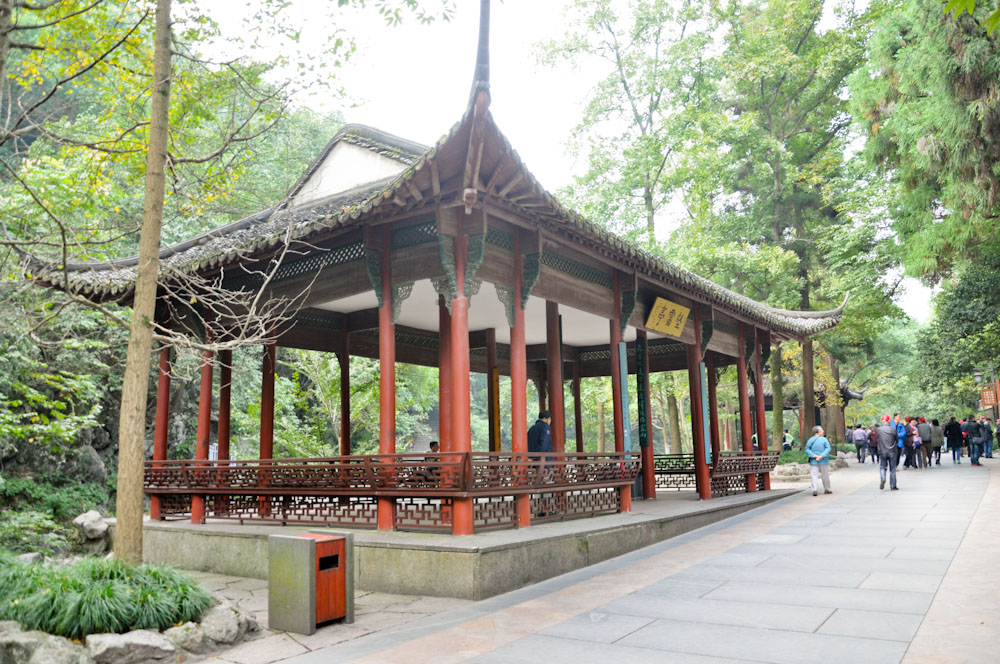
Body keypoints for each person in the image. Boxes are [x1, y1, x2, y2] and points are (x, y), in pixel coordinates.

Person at [804, 425, 832, 497]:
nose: (823, 431)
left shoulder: (810, 440)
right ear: (818, 432)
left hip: (814, 460)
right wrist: (821, 456)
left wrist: (814, 455)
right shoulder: (824, 439)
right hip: (823, 460)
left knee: (814, 475)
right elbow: (828, 448)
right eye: (822, 430)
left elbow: (806, 449)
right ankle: (827, 488)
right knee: (825, 475)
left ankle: (814, 489)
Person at [877, 415, 899, 490]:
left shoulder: (879, 430)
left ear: (882, 421)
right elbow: (897, 440)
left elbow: (877, 438)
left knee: (882, 467)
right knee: (892, 469)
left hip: (882, 451)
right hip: (892, 451)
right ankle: (893, 486)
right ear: (889, 421)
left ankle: (883, 478)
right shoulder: (893, 429)